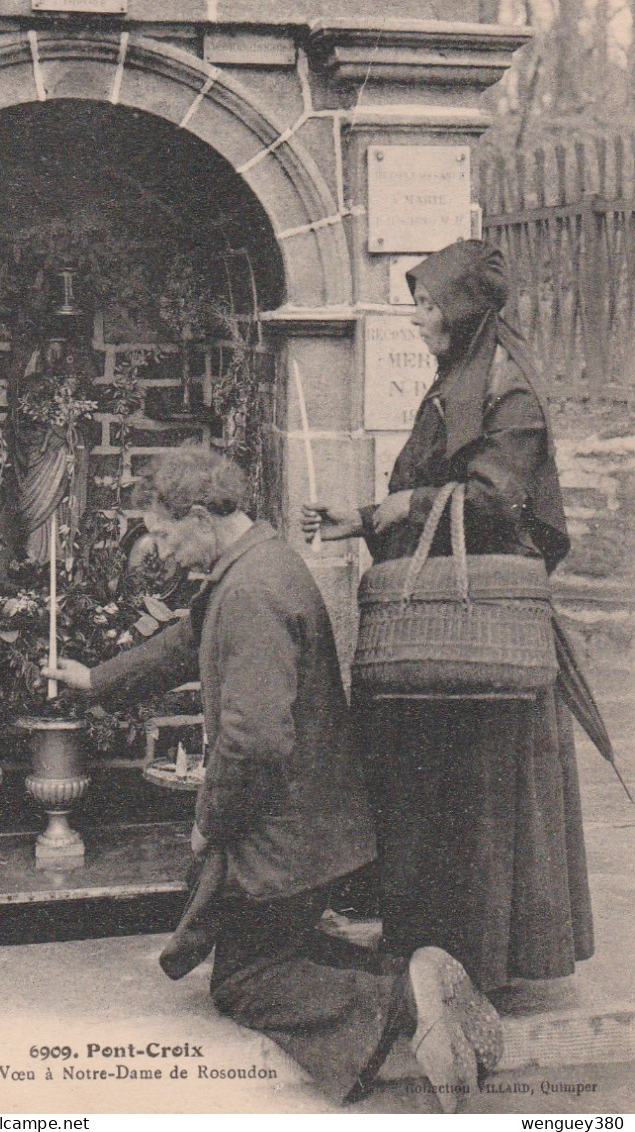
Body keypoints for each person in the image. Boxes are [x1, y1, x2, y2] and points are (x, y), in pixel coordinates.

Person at [45, 445, 502, 1110]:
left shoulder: (250, 593)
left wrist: (209, 822)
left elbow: (254, 741)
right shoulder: (257, 563)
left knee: (246, 981)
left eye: (164, 534)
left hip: (288, 836)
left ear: (200, 516)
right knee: (272, 950)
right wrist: (97, 680)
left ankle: (403, 994)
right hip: (315, 822)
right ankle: (425, 981)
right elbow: (183, 643)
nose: (161, 551)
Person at [303, 240, 594, 994]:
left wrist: (402, 505)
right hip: (440, 627)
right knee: (429, 788)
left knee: (480, 800)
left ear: (463, 308)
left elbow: (498, 500)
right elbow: (440, 484)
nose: (418, 321)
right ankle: (429, 950)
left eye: (428, 306)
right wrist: (366, 516)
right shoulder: (459, 381)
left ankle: (484, 964)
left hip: (480, 635)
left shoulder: (508, 391)